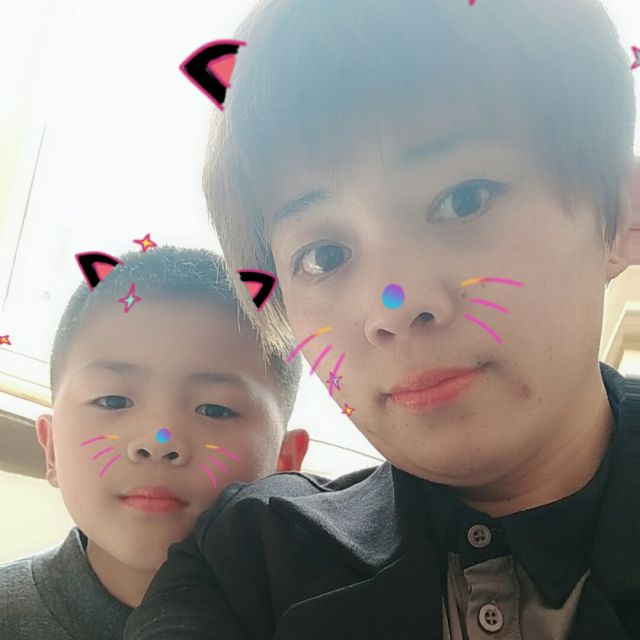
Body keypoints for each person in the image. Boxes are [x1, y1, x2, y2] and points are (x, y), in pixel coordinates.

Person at [124, 0, 640, 638]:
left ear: (620, 212)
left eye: (464, 199)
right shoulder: (247, 558)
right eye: (324, 255)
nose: (392, 307)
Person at [0, 246, 309, 640]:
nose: (159, 441)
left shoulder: (333, 619)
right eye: (113, 401)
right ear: (52, 448)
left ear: (285, 463)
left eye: (214, 409)